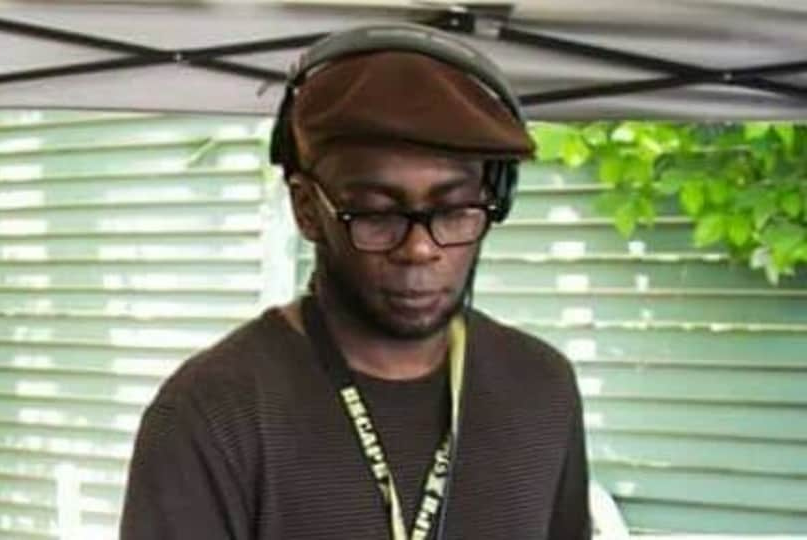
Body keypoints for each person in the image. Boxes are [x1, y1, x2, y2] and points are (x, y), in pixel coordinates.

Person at [120, 23, 590, 540]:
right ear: (306, 209)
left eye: (454, 210)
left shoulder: (544, 387)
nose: (419, 248)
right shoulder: (212, 412)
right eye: (375, 213)